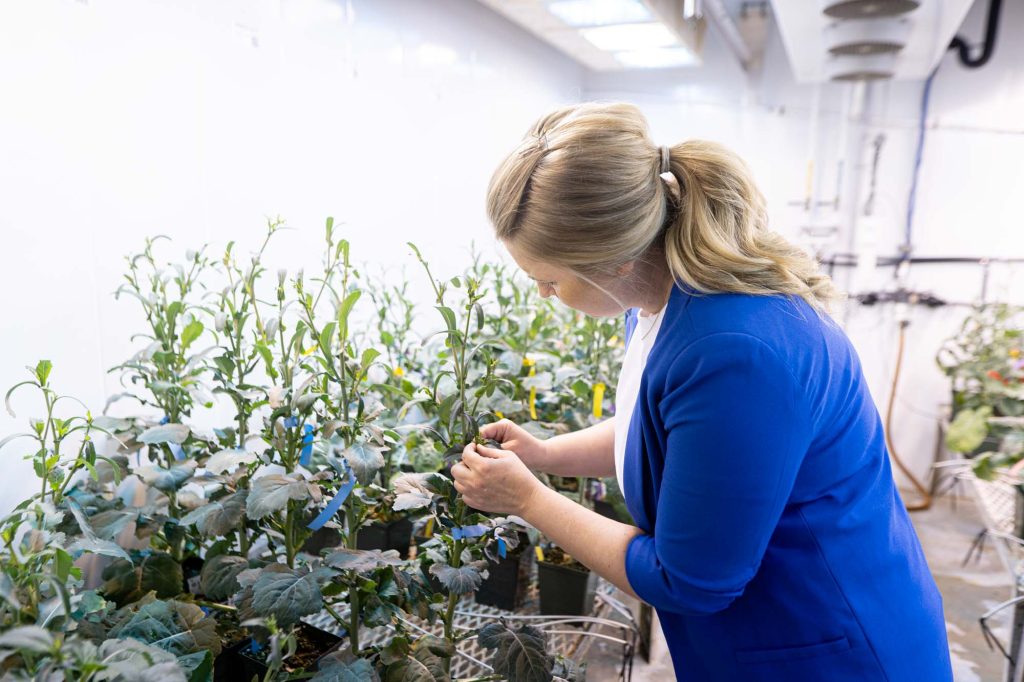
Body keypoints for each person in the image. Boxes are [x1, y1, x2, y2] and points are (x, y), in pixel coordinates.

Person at [450, 102, 952, 681]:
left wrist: (530, 500)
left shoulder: (735, 351)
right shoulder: (659, 298)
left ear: (612, 260)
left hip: (822, 645)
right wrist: (545, 454)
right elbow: (666, 434)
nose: (542, 293)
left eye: (550, 280)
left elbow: (688, 579)